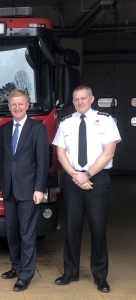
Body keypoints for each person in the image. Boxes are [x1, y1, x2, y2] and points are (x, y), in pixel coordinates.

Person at [53, 85, 121, 293]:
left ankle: (100, 276)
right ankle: (70, 272)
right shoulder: (66, 123)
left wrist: (88, 175)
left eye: (83, 98)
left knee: (98, 229)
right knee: (72, 229)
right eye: (76, 99)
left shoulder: (106, 120)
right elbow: (61, 154)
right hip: (74, 180)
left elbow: (108, 153)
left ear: (92, 99)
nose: (80, 102)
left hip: (97, 180)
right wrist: (76, 175)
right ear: (73, 102)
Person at [0, 89, 49, 292]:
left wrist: (39, 188)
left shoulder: (38, 129)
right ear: (9, 107)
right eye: (13, 104)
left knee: (27, 234)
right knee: (12, 232)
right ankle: (16, 266)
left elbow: (42, 161)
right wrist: (3, 183)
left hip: (29, 191)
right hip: (9, 189)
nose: (17, 108)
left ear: (27, 105)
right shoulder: (3, 129)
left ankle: (26, 275)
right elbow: (3, 159)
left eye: (21, 104)